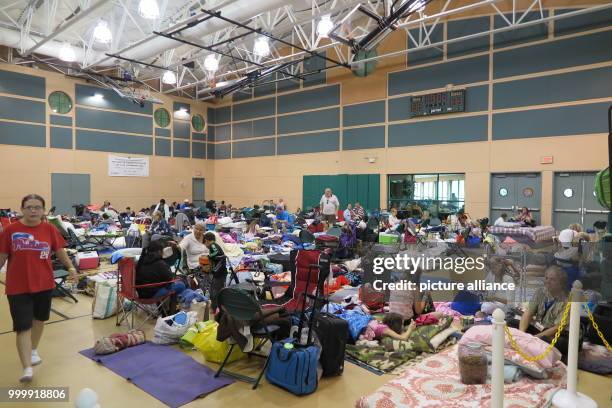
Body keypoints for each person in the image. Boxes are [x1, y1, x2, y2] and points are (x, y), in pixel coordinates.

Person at [0, 194, 78, 382]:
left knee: (39, 320)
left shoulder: (50, 229)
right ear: (22, 209)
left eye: (37, 207)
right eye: (28, 207)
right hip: (17, 287)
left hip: (43, 284)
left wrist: (71, 267)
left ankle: (33, 350)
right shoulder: (10, 231)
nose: (33, 210)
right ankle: (27, 367)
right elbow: (2, 257)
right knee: (22, 327)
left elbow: (60, 251)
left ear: (43, 210)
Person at [519, 265, 568, 340]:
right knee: (511, 322)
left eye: (552, 279)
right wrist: (521, 334)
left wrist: (534, 338)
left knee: (560, 342)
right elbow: (528, 313)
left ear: (561, 283)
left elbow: (557, 328)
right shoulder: (540, 292)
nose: (548, 281)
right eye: (546, 278)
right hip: (538, 327)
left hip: (551, 333)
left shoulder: (566, 301)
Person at [203, 232, 227, 313]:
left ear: (206, 241)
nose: (205, 246)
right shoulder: (214, 246)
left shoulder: (213, 245)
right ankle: (219, 307)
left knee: (215, 291)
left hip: (219, 272)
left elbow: (216, 253)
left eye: (205, 243)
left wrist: (209, 256)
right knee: (218, 289)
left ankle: (215, 309)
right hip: (221, 272)